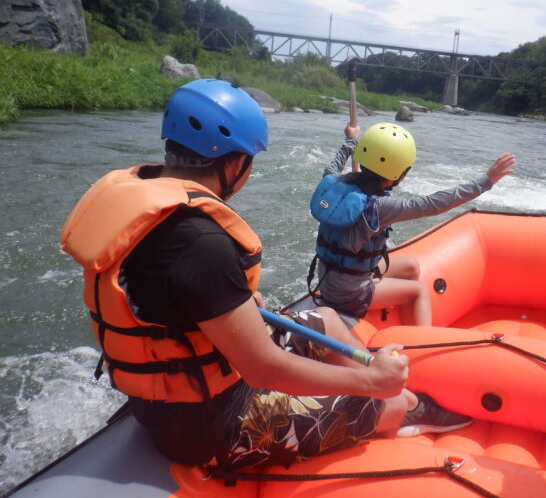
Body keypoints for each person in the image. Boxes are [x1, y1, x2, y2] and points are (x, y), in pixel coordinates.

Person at [60, 79, 472, 474]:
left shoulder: (147, 203)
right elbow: (262, 371)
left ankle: (381, 386)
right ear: (236, 162)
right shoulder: (198, 241)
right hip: (214, 424)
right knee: (394, 404)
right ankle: (398, 402)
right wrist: (370, 381)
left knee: (326, 320)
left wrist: (234, 303)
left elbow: (174, 295)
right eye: (250, 162)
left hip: (189, 381)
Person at [307, 121, 516, 326]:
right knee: (419, 292)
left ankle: (400, 320)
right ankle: (419, 345)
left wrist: (350, 139)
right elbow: (431, 204)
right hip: (348, 294)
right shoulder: (380, 207)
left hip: (329, 278)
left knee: (411, 267)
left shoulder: (333, 183)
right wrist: (485, 181)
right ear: (397, 174)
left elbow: (334, 164)